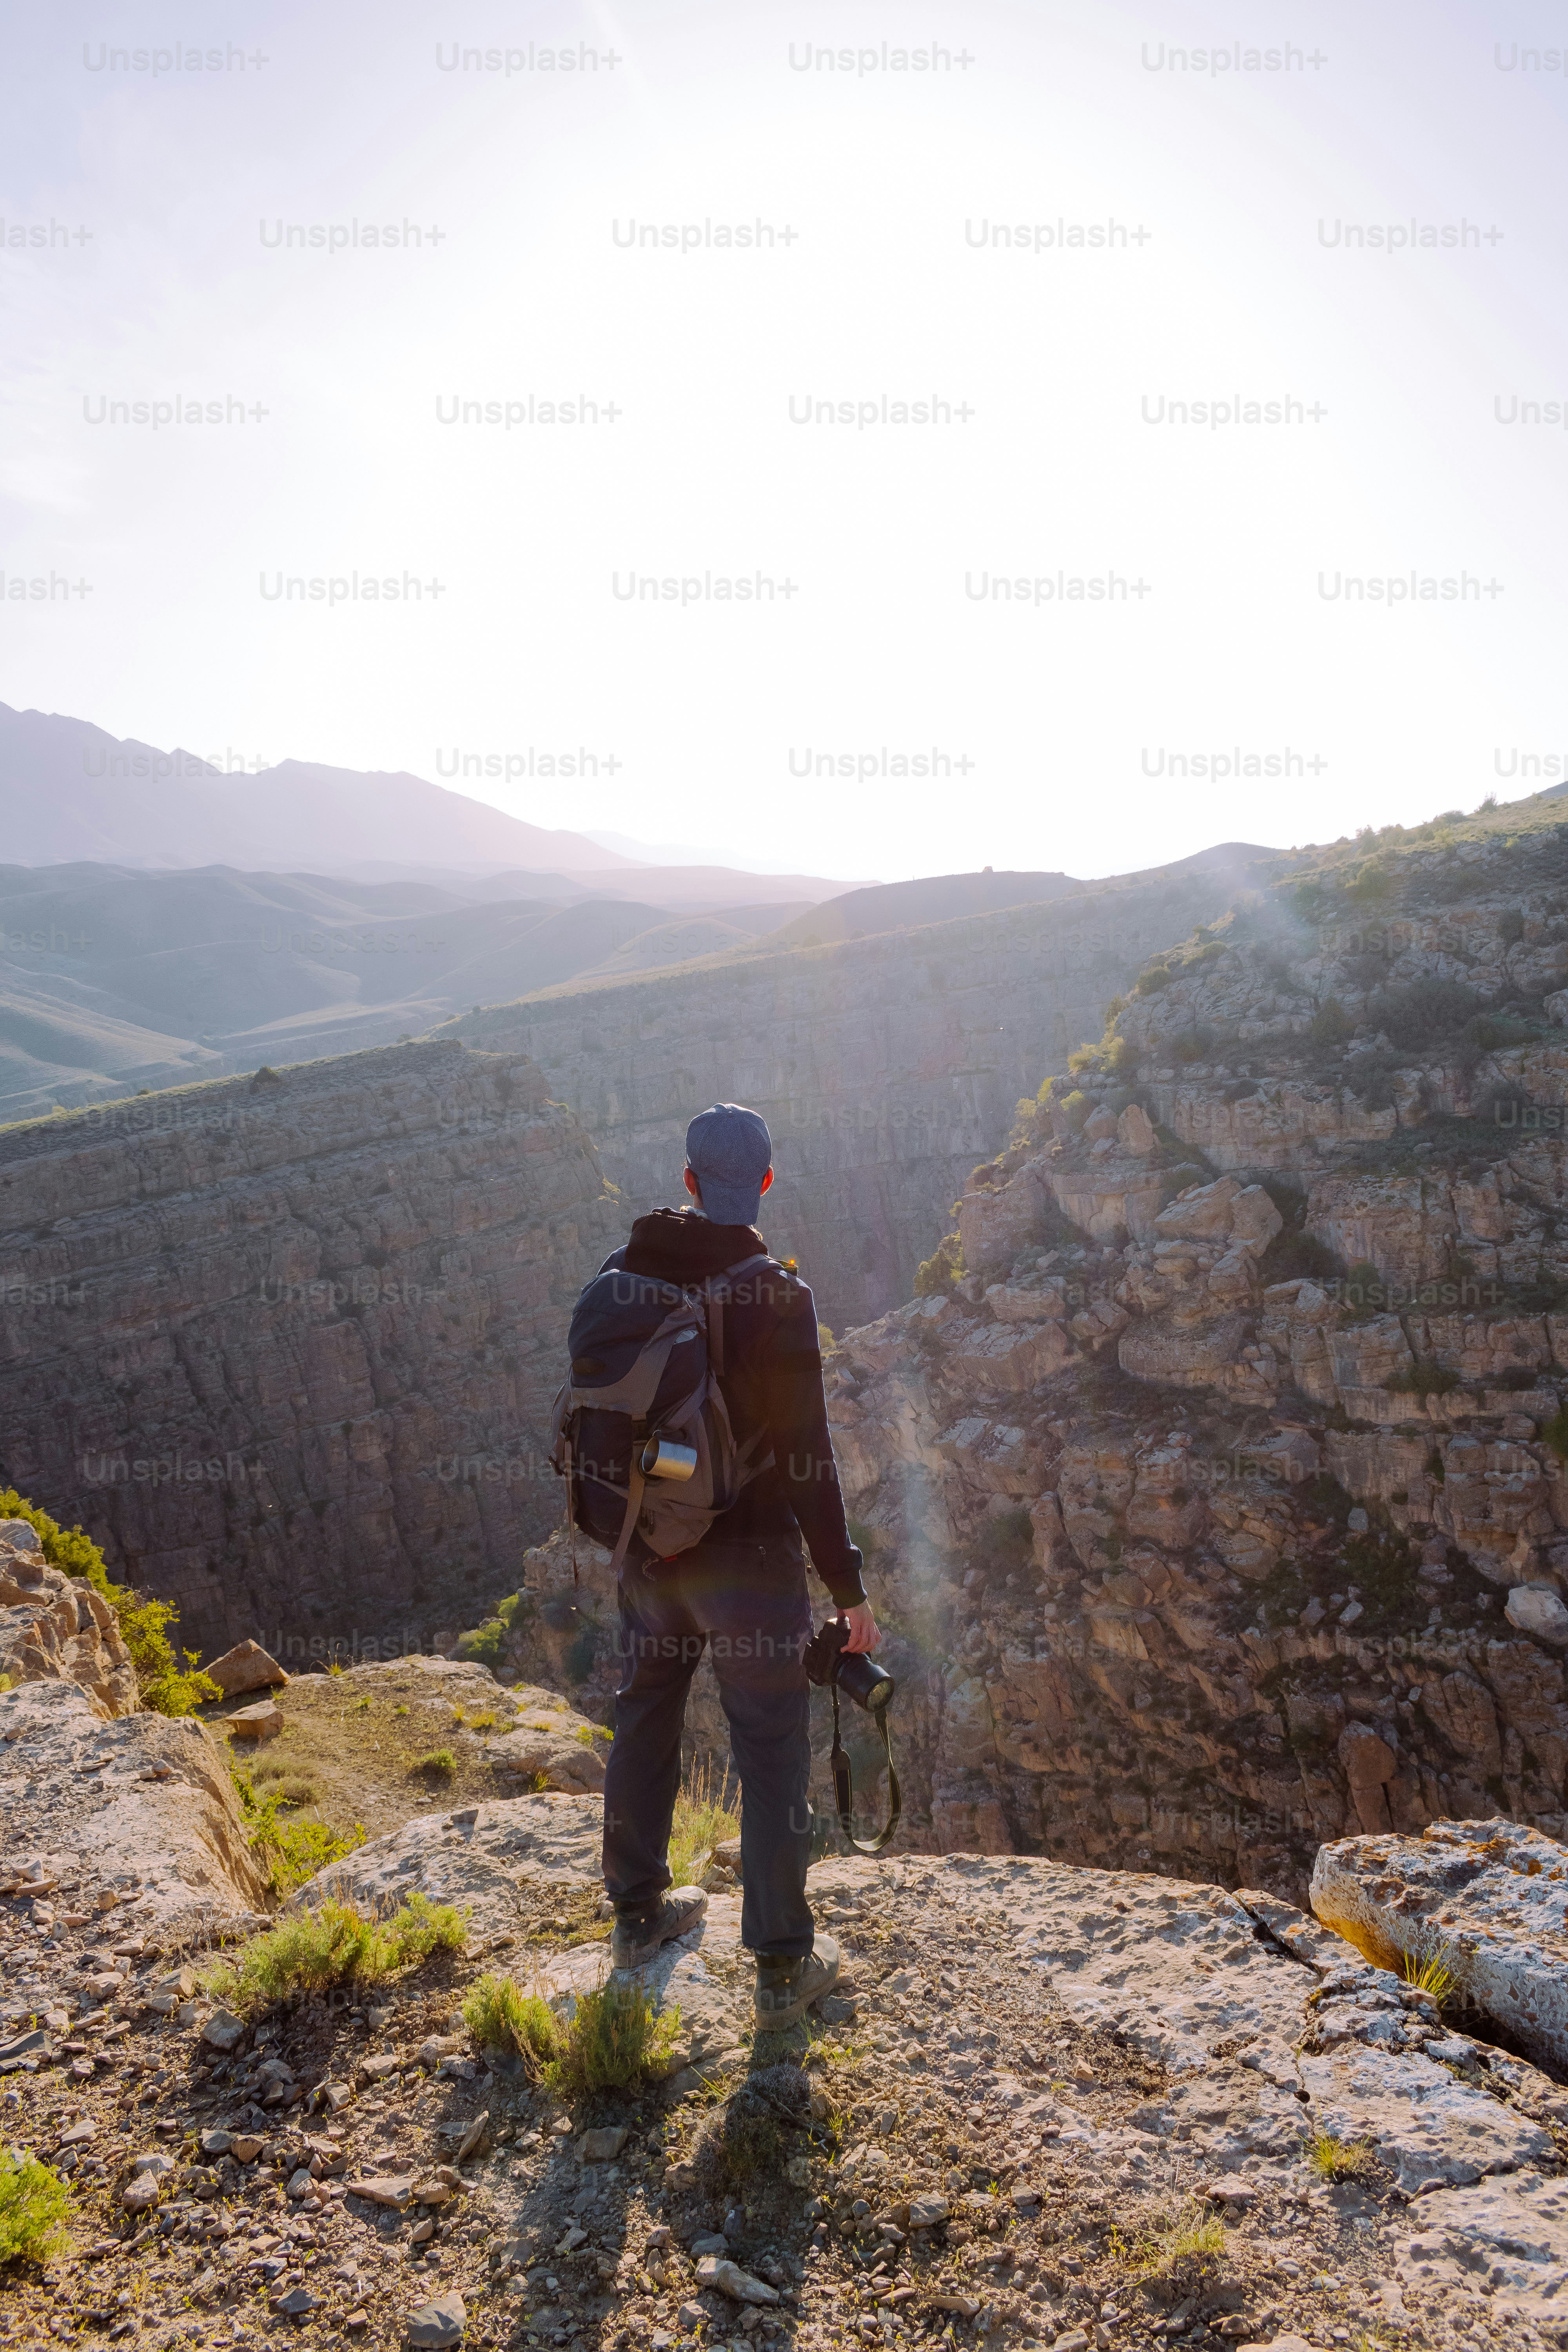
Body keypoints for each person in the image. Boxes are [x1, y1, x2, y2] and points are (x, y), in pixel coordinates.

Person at [597, 1101, 880, 2029]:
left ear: (687, 1180)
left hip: (651, 1550)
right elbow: (809, 1460)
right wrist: (846, 1589)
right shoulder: (779, 1298)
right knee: (768, 1748)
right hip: (750, 1568)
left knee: (645, 1716)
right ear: (763, 1181)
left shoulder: (621, 1276)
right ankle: (780, 1966)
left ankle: (637, 1915)